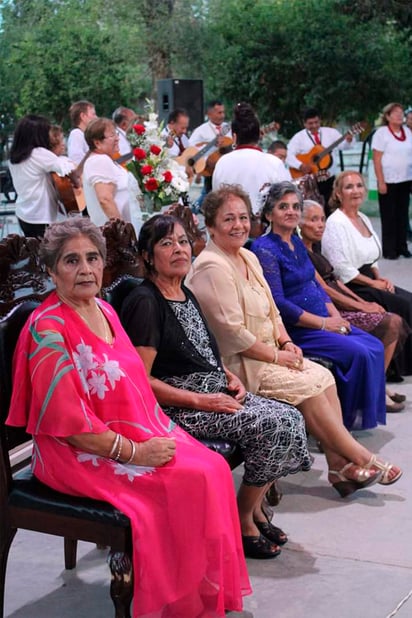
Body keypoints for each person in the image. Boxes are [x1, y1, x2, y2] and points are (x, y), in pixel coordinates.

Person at [6, 217, 251, 617]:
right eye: (70, 261)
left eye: (92, 258)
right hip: (77, 453)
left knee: (213, 469)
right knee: (188, 480)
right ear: (51, 271)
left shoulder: (103, 308)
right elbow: (70, 428)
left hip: (132, 432)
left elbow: (135, 382)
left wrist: (151, 435)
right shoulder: (47, 331)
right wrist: (137, 452)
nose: (85, 269)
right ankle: (177, 605)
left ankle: (199, 595)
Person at [186, 184, 402, 493]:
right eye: (228, 219)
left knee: (324, 376)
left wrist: (286, 343)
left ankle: (338, 468)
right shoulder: (211, 266)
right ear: (210, 225)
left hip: (271, 350)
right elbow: (233, 334)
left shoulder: (246, 256)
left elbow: (274, 311)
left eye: (243, 218)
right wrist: (279, 355)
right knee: (308, 385)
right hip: (240, 363)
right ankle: (361, 456)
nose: (238, 226)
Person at [121, 214, 312, 560]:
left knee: (291, 417)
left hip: (213, 392)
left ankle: (252, 510)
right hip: (180, 408)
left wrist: (227, 373)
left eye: (182, 241)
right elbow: (140, 380)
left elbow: (201, 350)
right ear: (148, 256)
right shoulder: (146, 302)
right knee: (273, 426)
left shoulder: (183, 291)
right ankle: (242, 519)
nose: (179, 249)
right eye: (166, 244)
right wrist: (201, 400)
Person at [251, 181, 390, 429]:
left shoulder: (296, 242)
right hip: (299, 329)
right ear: (269, 213)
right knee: (357, 353)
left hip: (324, 321)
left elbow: (316, 286)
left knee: (374, 345)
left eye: (295, 206)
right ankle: (339, 426)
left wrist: (336, 317)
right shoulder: (265, 248)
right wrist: (325, 324)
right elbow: (278, 302)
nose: (292, 211)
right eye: (283, 207)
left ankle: (356, 416)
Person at [299, 199, 408, 412]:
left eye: (322, 219)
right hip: (330, 308)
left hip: (341, 297)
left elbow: (335, 281)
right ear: (300, 224)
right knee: (392, 322)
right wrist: (360, 307)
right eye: (314, 220)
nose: (321, 224)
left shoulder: (316, 247)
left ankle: (379, 384)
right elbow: (326, 290)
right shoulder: (301, 252)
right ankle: (376, 391)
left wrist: (363, 303)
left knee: (392, 315)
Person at [322, 171, 412, 378]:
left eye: (359, 186)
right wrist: (373, 284)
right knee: (403, 305)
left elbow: (373, 255)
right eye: (349, 187)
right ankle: (394, 369)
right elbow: (341, 268)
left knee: (408, 299)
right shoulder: (336, 223)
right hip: (352, 285)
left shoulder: (363, 217)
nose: (356, 191)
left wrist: (379, 277)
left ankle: (402, 364)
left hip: (370, 278)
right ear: (337, 193)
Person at [212, 103, 289, 216]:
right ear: (259, 135)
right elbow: (286, 200)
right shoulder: (274, 162)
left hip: (230, 227)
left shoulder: (222, 163)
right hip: (266, 229)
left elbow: (216, 201)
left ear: (234, 137)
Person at [9, 114, 76, 237]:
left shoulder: (15, 156)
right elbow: (66, 169)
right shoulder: (38, 154)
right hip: (40, 215)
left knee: (33, 252)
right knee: (46, 254)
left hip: (24, 213)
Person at [286, 107, 354, 214]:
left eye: (316, 122)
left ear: (320, 121)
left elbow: (344, 147)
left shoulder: (331, 133)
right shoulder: (298, 138)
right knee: (313, 209)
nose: (314, 125)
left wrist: (348, 141)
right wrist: (300, 165)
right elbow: (288, 155)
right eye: (310, 123)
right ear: (305, 124)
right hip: (311, 181)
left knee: (331, 207)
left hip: (329, 177)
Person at [82, 117, 142, 232]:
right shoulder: (99, 161)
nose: (117, 138)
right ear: (97, 143)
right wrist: (122, 230)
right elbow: (105, 199)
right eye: (112, 135)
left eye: (116, 134)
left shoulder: (107, 160)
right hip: (113, 235)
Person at [371, 102, 412, 259]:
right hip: (388, 180)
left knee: (403, 214)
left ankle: (402, 246)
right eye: (395, 113)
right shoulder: (381, 134)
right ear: (387, 116)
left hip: (406, 179)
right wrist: (381, 181)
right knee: (389, 216)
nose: (399, 115)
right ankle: (390, 250)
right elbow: (377, 159)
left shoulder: (407, 132)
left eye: (401, 112)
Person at [189, 99, 232, 208]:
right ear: (209, 114)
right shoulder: (200, 131)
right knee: (209, 198)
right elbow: (191, 151)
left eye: (223, 112)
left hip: (227, 170)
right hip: (210, 170)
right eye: (219, 113)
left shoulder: (228, 128)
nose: (222, 115)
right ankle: (193, 210)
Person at [67, 100, 97, 165]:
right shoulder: (76, 134)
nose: (96, 117)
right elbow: (76, 161)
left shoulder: (86, 135)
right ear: (83, 116)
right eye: (93, 114)